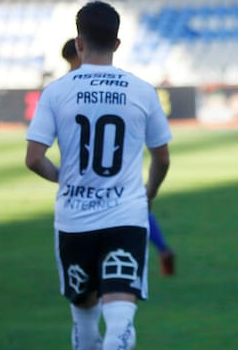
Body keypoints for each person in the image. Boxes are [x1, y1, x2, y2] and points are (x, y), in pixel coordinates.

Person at [26, 2, 172, 350]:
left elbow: (34, 158)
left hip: (74, 221)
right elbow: (162, 159)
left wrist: (63, 180)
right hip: (125, 218)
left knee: (85, 316)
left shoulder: (57, 91)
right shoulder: (142, 91)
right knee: (121, 313)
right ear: (119, 42)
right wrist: (146, 195)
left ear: (79, 42)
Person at [62, 37, 176, 275]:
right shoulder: (119, 86)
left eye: (71, 62)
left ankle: (102, 275)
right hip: (117, 166)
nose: (71, 68)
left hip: (94, 172)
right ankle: (161, 249)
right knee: (136, 206)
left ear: (80, 53)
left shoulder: (75, 90)